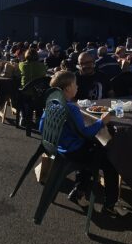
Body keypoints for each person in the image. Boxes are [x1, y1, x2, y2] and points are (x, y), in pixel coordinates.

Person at [39, 71, 122, 215]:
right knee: (110, 160)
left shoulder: (52, 103)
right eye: (75, 84)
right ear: (67, 88)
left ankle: (79, 192)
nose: (77, 87)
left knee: (94, 150)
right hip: (74, 152)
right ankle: (110, 204)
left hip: (60, 148)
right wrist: (101, 122)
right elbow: (86, 133)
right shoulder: (71, 107)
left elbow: (41, 127)